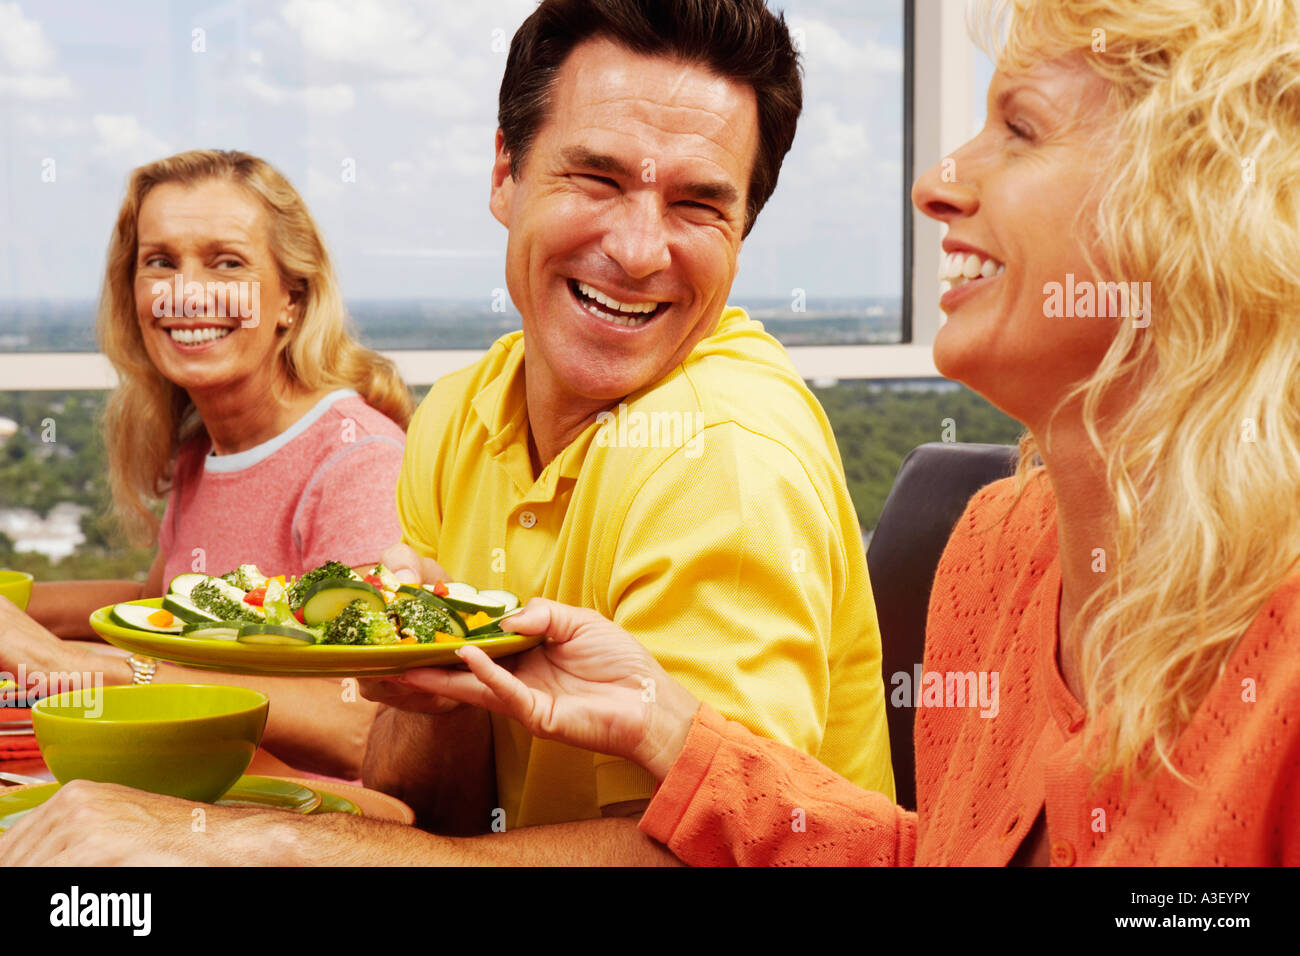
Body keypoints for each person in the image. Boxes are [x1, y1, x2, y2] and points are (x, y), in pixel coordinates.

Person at [369, 0, 1300, 865]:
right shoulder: (999, 549)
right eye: (596, 177)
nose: (934, 185)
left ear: (1202, 210)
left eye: (1019, 128)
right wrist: (671, 730)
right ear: (504, 169)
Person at [0, 0, 892, 865]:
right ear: (504, 172)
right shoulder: (465, 413)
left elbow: (717, 858)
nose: (638, 250)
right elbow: (434, 811)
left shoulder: (723, 458)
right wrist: (437, 686)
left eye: (700, 204)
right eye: (598, 177)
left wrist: (261, 844)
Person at [0, 150, 411, 778]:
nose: (186, 293)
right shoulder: (206, 448)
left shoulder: (357, 462)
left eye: (227, 264)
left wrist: (67, 664)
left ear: (291, 299)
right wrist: (15, 610)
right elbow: (157, 604)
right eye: (160, 262)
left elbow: (365, 727)